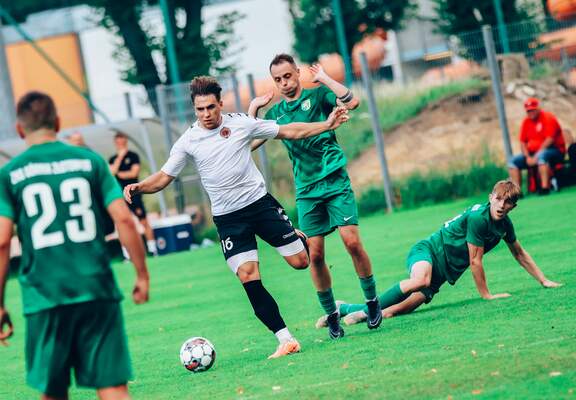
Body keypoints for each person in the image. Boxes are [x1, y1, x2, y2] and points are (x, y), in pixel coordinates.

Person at [123, 76, 349, 359]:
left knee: (301, 262)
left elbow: (289, 131)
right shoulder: (188, 141)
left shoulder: (241, 123)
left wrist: (326, 125)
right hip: (229, 220)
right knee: (248, 276)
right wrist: (140, 186)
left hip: (260, 206)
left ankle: (296, 237)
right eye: (200, 109)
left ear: (220, 104)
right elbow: (164, 177)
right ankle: (285, 339)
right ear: (194, 109)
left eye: (211, 107)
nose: (206, 114)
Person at [0, 91, 150, 400]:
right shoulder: (90, 161)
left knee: (54, 391)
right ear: (57, 123)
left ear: (20, 129)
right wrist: (142, 274)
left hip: (44, 296)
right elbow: (123, 219)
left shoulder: (9, 174)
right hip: (96, 288)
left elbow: (2, 242)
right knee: (113, 388)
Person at [248, 54, 380, 340]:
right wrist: (254, 109)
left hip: (334, 180)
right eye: (278, 79)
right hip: (307, 191)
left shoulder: (318, 95)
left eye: (288, 76)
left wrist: (324, 78)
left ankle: (371, 301)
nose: (284, 83)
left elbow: (353, 102)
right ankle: (332, 314)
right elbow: (246, 142)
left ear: (298, 73)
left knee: (352, 242)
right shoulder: (276, 115)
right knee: (315, 254)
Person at [316, 180, 562, 327]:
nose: (501, 205)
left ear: (513, 206)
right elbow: (475, 261)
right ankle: (362, 311)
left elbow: (520, 253)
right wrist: (487, 296)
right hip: (427, 252)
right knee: (420, 280)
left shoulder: (504, 225)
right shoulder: (479, 218)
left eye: (507, 203)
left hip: (441, 276)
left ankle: (344, 308)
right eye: (498, 199)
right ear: (491, 197)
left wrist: (543, 280)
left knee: (390, 312)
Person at [109, 131, 157, 256]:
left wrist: (119, 174)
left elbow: (133, 173)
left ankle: (153, 250)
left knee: (143, 221)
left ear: (126, 141)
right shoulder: (113, 159)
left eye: (122, 140)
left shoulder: (133, 156)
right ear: (115, 143)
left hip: (134, 194)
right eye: (118, 141)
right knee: (122, 224)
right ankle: (127, 254)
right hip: (119, 196)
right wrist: (120, 158)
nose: (120, 143)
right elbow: (111, 172)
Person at [508, 98, 566, 195]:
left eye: (533, 109)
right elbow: (522, 142)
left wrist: (536, 156)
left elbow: (550, 140)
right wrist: (527, 157)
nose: (531, 112)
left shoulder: (548, 117)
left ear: (538, 108)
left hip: (555, 150)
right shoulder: (526, 122)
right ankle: (517, 193)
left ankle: (544, 188)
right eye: (528, 111)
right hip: (532, 154)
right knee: (513, 161)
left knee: (542, 156)